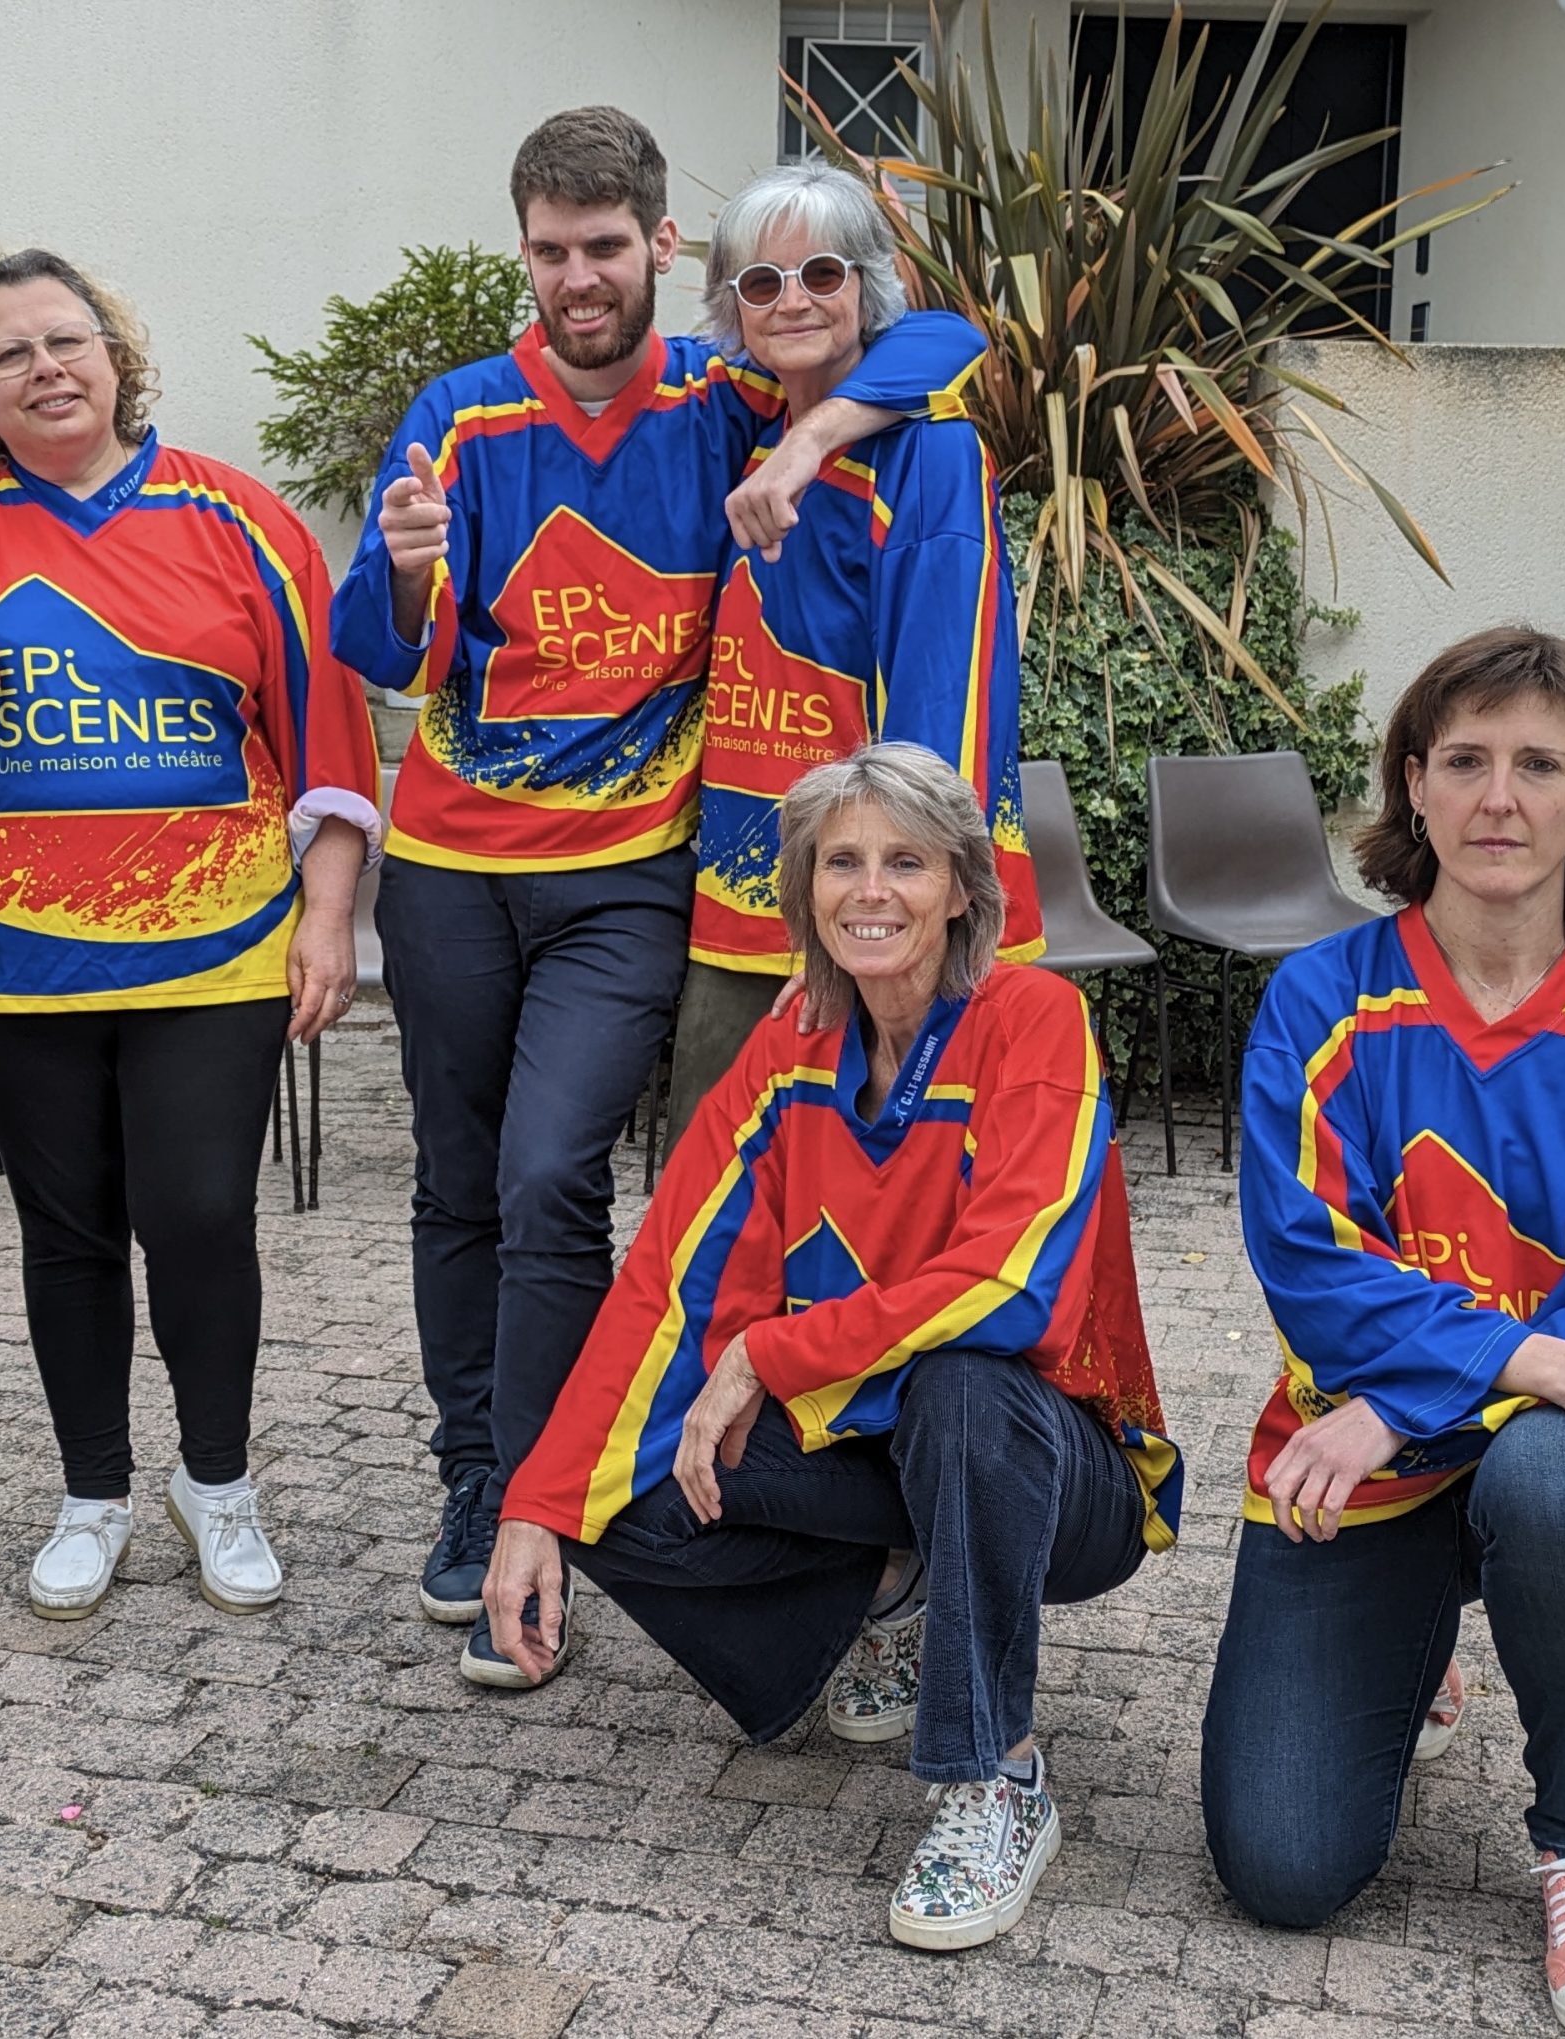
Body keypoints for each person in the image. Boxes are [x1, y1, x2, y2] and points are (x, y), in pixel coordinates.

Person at [331, 106, 986, 1687]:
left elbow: (932, 339)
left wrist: (812, 441)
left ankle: (549, 1490)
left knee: (554, 1171)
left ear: (658, 247)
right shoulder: (460, 414)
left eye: (606, 247)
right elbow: (374, 643)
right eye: (550, 251)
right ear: (524, 254)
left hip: (633, 872)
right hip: (451, 865)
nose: (578, 278)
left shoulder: (727, 396)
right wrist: (407, 567)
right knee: (459, 1180)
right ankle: (478, 1477)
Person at [487, 742, 1181, 1951]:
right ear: (804, 890)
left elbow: (1011, 1288)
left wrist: (770, 1354)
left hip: (1061, 1466)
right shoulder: (789, 1046)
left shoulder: (1034, 1017)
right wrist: (534, 1505)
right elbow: (667, 1279)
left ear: (960, 888)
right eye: (840, 861)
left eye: (905, 862)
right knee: (616, 1487)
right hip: (877, 1441)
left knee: (962, 1386)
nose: (870, 889)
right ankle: (891, 1590)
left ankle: (997, 1775)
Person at [0, 249, 381, 1620]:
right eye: (8, 353)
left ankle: (218, 1481)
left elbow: (326, 730)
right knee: (65, 1226)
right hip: (0, 950)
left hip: (218, 941)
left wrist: (330, 917)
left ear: (116, 354)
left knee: (198, 1213)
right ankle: (94, 1492)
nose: (45, 368)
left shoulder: (240, 515)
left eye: (66, 339)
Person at [1201, 629, 1565, 2039]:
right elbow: (1309, 1265)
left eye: (1539, 764)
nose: (1499, 798)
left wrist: (1410, 1395)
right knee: (1282, 1864)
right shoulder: (1321, 1001)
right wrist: (1522, 1363)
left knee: (1552, 1478)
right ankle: (1418, 1633)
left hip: (1529, 1459)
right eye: (1464, 761)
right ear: (1414, 785)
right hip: (1364, 1470)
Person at [667, 162, 1043, 1148]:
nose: (792, 300)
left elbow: (940, 695)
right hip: (745, 901)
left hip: (877, 908)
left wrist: (891, 905)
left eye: (823, 273)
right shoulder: (748, 423)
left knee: (889, 1197)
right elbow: (946, 339)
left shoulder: (930, 456)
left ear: (867, 286)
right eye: (762, 282)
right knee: (724, 1189)